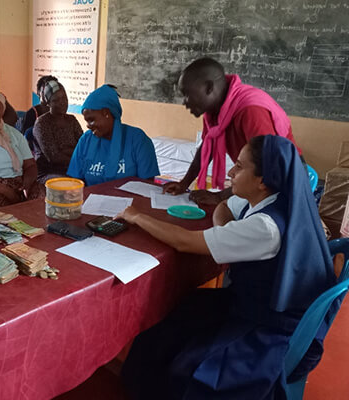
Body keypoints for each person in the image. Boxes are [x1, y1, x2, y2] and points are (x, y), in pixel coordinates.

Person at [118, 135, 336, 399]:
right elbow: (223, 206)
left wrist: (135, 216)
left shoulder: (266, 227)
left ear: (262, 180)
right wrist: (227, 235)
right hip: (255, 302)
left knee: (191, 368)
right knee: (171, 320)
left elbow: (183, 242)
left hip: (272, 325)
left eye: (240, 167)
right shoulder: (271, 198)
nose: (231, 172)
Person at [164, 57, 302, 205]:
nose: (184, 102)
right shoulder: (214, 111)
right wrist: (184, 183)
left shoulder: (251, 111)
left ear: (209, 88)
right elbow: (206, 149)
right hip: (257, 183)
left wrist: (220, 197)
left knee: (222, 213)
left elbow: (269, 168)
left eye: (187, 94)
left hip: (282, 185)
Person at [67, 84, 160, 186]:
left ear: (106, 113)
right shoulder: (86, 140)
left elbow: (147, 185)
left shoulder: (138, 139)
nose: (88, 126)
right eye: (87, 121)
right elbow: (75, 181)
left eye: (91, 120)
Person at [32, 80, 83, 183]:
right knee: (71, 183)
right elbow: (54, 157)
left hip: (72, 167)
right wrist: (75, 156)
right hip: (49, 172)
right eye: (56, 100)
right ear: (49, 103)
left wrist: (65, 151)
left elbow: (82, 147)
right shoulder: (42, 124)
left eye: (64, 98)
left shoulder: (72, 120)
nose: (62, 102)